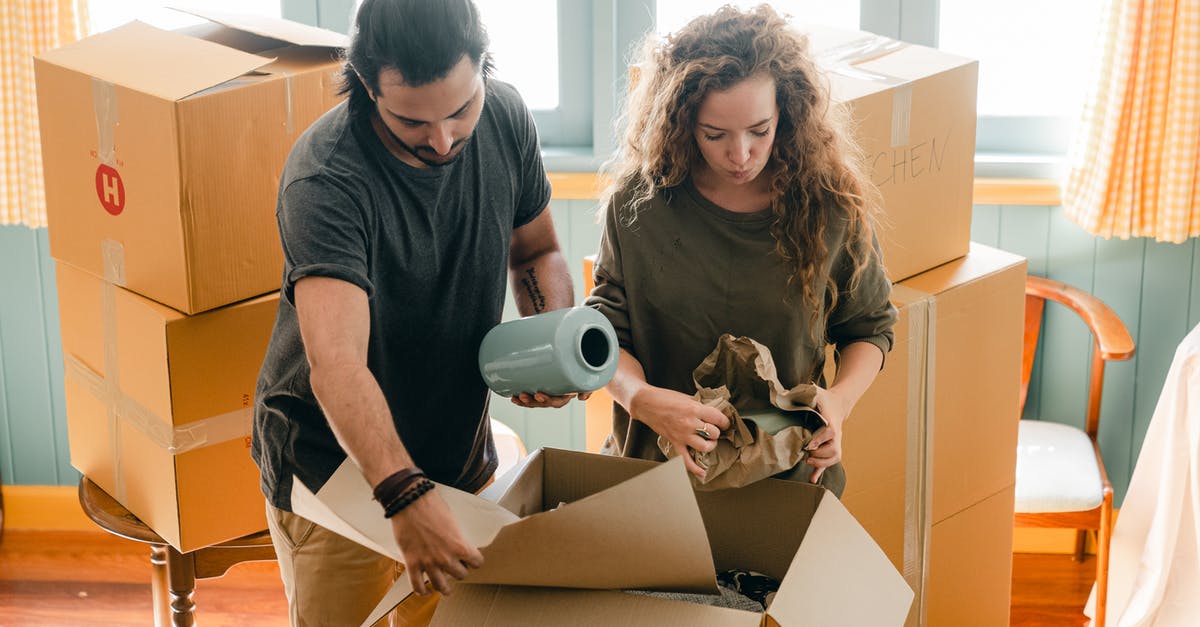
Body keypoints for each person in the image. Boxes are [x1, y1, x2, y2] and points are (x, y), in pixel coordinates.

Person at [251, 1, 582, 624]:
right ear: (366, 84)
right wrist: (403, 494)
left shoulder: (507, 116)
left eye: (461, 109)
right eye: (411, 120)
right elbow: (338, 365)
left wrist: (553, 345)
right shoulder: (325, 178)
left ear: (484, 66)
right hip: (335, 470)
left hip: (454, 453)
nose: (443, 138)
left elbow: (535, 249)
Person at [585, 5, 898, 495]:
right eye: (715, 135)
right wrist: (641, 399)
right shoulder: (638, 205)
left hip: (790, 483)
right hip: (656, 481)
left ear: (787, 114)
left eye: (759, 131)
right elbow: (604, 332)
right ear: (684, 121)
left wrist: (838, 403)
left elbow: (870, 329)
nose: (741, 155)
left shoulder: (829, 206)